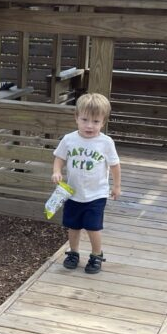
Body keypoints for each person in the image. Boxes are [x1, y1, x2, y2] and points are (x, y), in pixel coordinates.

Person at [51, 93, 121, 274]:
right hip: (73, 193)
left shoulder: (105, 143)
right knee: (73, 226)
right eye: (85, 120)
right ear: (76, 118)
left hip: (96, 194)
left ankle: (96, 255)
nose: (90, 125)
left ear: (103, 122)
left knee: (93, 226)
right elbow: (59, 158)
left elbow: (114, 165)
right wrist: (57, 171)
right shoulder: (69, 139)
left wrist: (116, 186)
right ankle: (73, 253)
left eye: (96, 121)